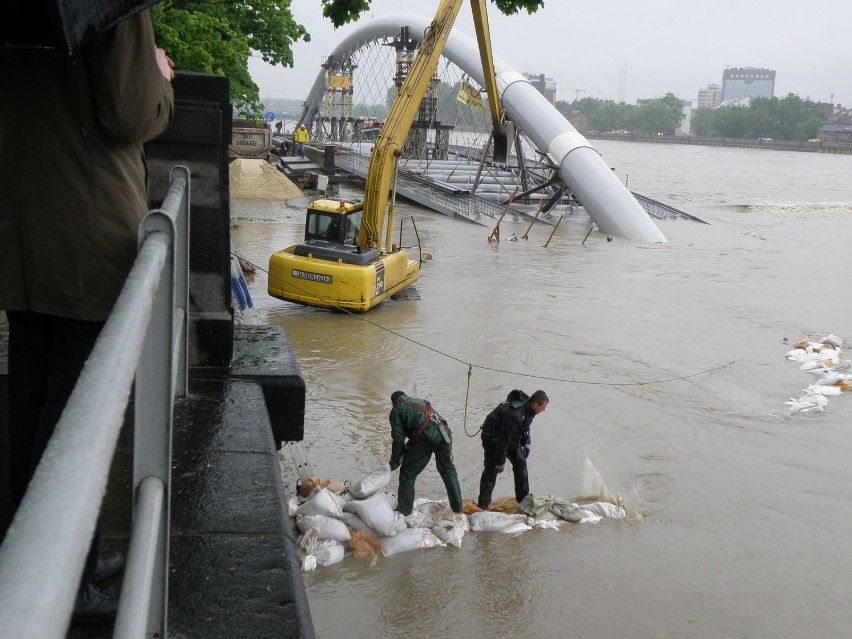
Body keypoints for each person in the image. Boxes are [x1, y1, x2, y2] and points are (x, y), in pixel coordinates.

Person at [0, 9, 174, 624]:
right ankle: (67, 584)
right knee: (79, 414)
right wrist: (159, 77)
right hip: (87, 225)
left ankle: (35, 554)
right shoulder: (107, 9)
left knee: (30, 395)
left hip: (22, 222)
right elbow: (130, 112)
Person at [388, 391, 463, 516]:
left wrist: (395, 461)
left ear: (393, 403)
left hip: (425, 438)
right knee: (448, 470)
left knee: (407, 475)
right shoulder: (419, 401)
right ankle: (458, 508)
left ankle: (405, 512)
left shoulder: (396, 410)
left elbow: (398, 439)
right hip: (444, 433)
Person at [477, 389, 549, 510]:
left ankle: (523, 500)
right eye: (543, 407)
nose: (544, 410)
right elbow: (503, 439)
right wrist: (500, 462)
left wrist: (526, 442)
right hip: (493, 438)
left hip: (509, 437)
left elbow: (523, 428)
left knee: (520, 464)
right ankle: (483, 504)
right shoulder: (515, 414)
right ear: (536, 404)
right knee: (491, 470)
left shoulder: (530, 410)